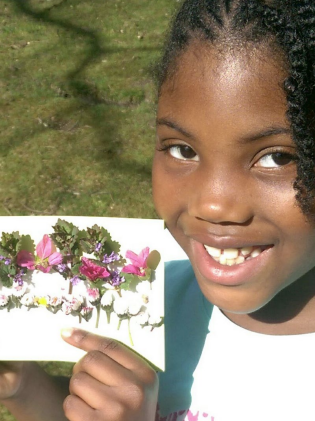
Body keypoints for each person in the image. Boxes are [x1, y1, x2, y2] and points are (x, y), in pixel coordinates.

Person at [2, 0, 315, 420]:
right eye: (182, 149)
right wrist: (21, 386)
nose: (213, 203)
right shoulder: (143, 297)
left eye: (277, 158)